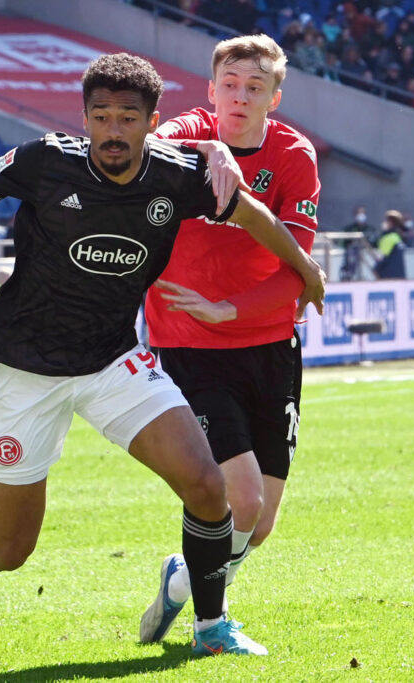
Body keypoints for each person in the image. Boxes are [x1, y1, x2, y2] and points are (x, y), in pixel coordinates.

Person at [0, 53, 324, 657]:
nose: (112, 129)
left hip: (112, 364)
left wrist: (303, 267)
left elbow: (251, 212)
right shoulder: (46, 160)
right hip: (24, 376)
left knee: (209, 488)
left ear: (149, 121)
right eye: (100, 116)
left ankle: (211, 627)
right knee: (12, 549)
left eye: (127, 118)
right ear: (85, 119)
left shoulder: (176, 176)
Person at [138, 34, 322, 648]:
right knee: (237, 498)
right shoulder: (186, 134)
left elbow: (297, 268)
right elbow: (158, 141)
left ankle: (183, 580)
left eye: (254, 87)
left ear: (275, 95)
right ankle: (210, 626)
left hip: (271, 346)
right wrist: (211, 145)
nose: (240, 97)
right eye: (230, 85)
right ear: (212, 89)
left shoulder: (294, 155)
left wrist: (232, 307)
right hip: (190, 344)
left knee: (261, 522)